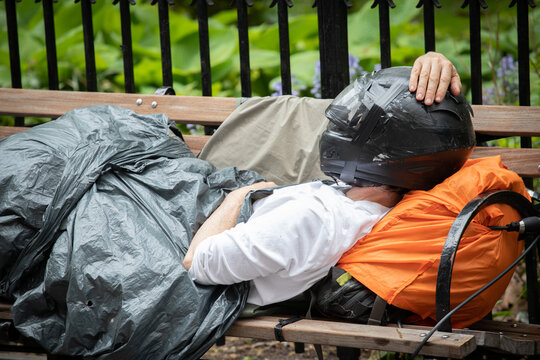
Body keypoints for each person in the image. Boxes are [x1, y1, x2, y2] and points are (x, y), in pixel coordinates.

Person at [183, 52, 474, 307]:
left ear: (386, 151)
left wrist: (240, 196)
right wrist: (434, 62)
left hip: (187, 231)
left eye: (358, 121)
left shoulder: (310, 220)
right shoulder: (379, 204)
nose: (343, 123)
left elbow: (196, 264)